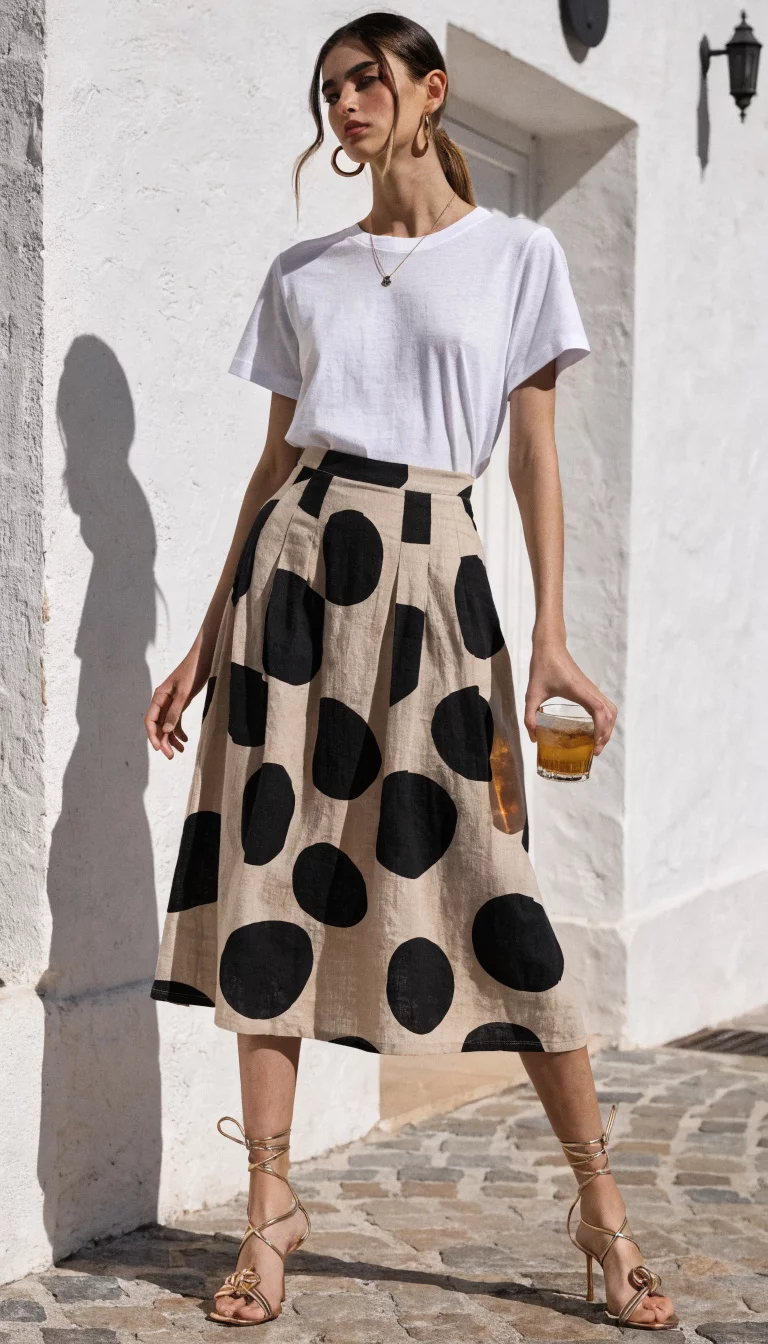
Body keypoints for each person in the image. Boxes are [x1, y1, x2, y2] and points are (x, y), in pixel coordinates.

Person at [143, 11, 677, 1333]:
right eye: (330, 90)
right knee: (266, 870)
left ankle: (600, 1215)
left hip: (441, 577)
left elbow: (537, 458)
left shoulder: (518, 256)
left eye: (367, 81)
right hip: (297, 571)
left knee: (498, 884)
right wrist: (207, 636)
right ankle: (271, 1216)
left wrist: (548, 638)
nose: (345, 106)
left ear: (432, 91)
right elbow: (274, 465)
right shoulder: (306, 271)